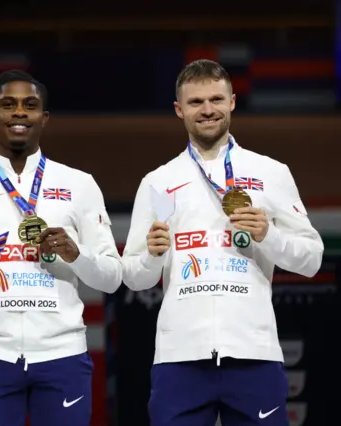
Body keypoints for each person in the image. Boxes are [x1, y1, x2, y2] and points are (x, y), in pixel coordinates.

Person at [121, 59, 324, 426]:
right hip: (179, 358)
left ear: (231, 102)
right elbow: (135, 278)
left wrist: (269, 235)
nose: (208, 109)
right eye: (196, 102)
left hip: (254, 354)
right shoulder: (158, 181)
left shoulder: (271, 173)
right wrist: (152, 256)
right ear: (179, 110)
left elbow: (311, 259)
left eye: (216, 99)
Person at [0, 69, 122, 426]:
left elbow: (111, 278)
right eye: (8, 105)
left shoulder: (80, 184)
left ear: (43, 118)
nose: (19, 112)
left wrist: (75, 254)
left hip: (62, 355)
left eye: (30, 105)